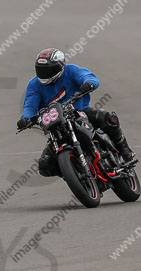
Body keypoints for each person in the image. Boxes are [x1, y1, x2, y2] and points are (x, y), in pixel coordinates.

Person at [17, 48, 135, 176]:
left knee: (108, 118)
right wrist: (25, 118)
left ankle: (124, 148)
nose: (44, 74)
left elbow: (88, 76)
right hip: (56, 125)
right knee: (45, 166)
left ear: (60, 67)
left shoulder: (71, 70)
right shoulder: (34, 84)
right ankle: (76, 174)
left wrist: (89, 83)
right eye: (41, 70)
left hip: (80, 112)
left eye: (48, 70)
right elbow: (30, 104)